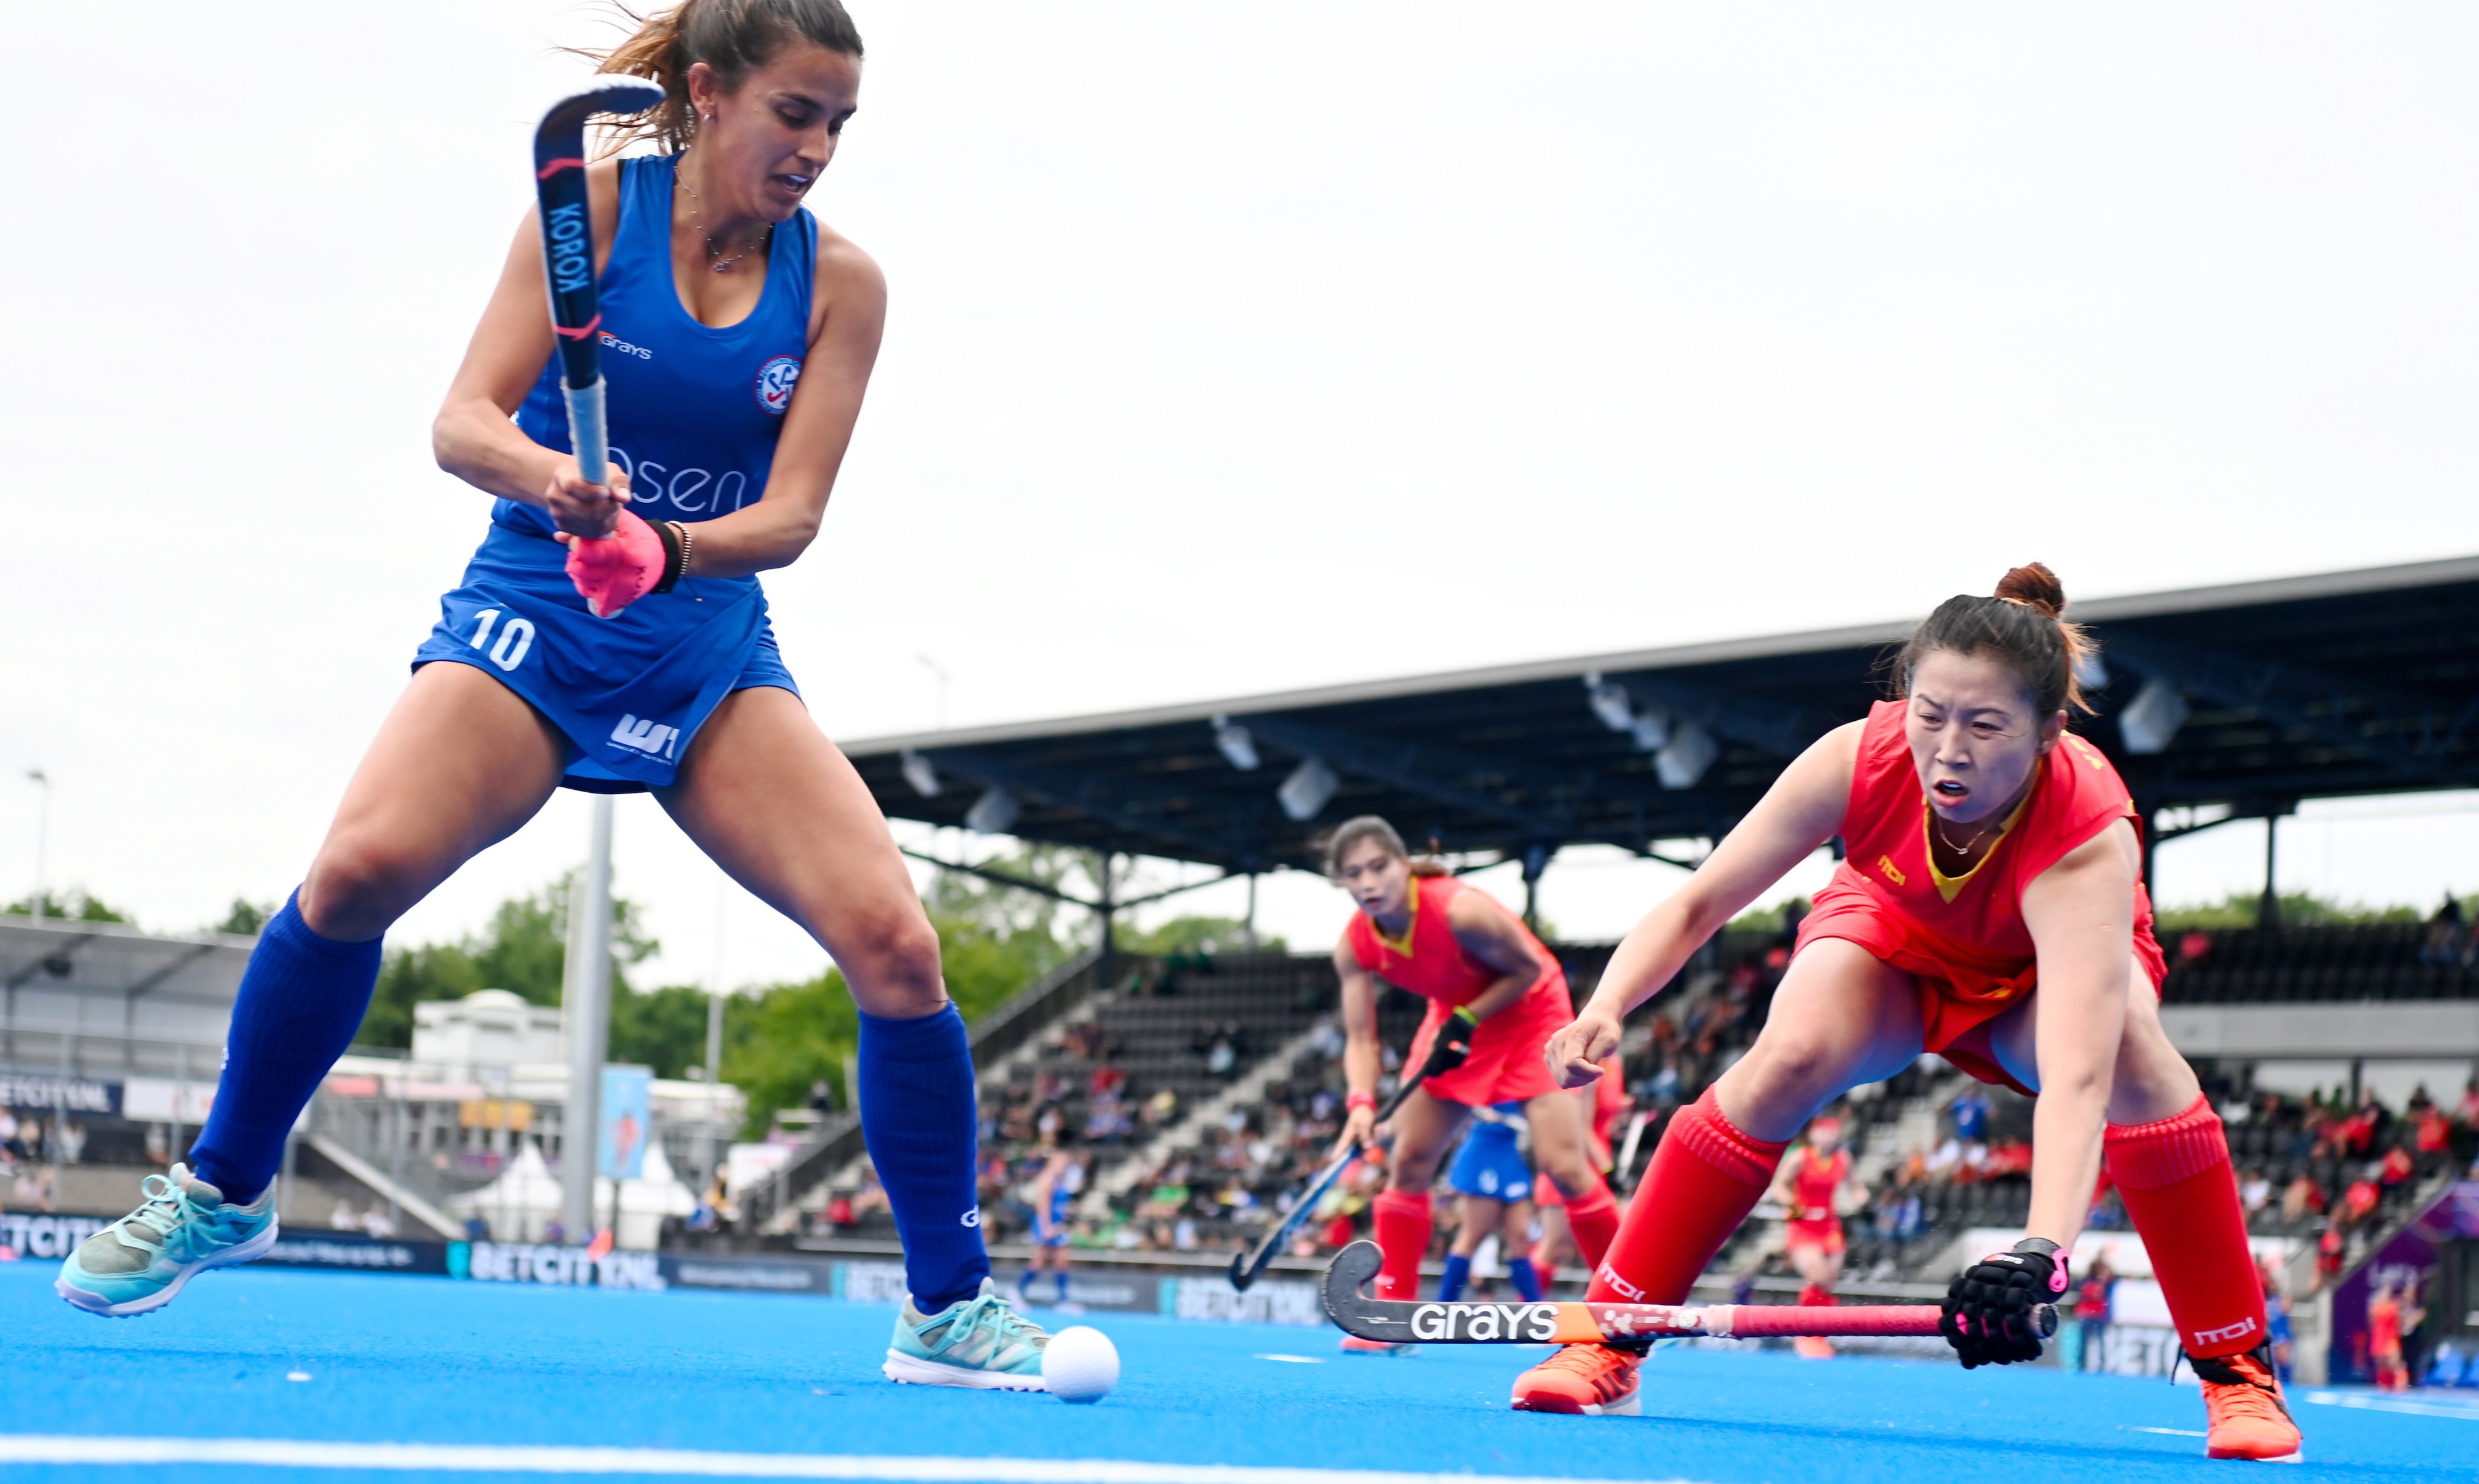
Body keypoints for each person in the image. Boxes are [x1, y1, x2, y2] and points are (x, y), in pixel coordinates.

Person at [54, 0, 1050, 1392]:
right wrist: (553, 483)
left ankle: (948, 1310)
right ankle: (226, 1186)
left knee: (897, 943)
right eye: (796, 114)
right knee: (355, 872)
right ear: (709, 93)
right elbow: (464, 418)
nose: (818, 148)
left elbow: (798, 514)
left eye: (840, 125)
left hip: (704, 646)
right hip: (532, 614)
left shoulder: (843, 286)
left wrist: (669, 545)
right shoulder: (585, 209)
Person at [1522, 565, 2302, 1461]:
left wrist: (2040, 1248)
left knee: (2134, 1053)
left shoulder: (2088, 833)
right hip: (1894, 948)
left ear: (2049, 730)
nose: (1949, 750)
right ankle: (1606, 1337)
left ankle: (2237, 1373)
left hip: (2031, 992)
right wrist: (1608, 1003)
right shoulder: (1856, 755)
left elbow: (2077, 1077)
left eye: (1985, 725)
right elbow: (1702, 903)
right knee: (1791, 1051)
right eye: (1930, 714)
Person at [1327, 818, 1626, 1355]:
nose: (1369, 882)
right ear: (1342, 882)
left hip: (1533, 1014)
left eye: (1379, 867)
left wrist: (1469, 1016)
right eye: (1354, 874)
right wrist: (1361, 1103)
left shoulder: (1460, 909)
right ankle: (1392, 1317)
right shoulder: (1355, 945)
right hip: (1458, 1023)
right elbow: (1360, 1038)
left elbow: (1529, 970)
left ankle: (1640, 1305)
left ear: (1404, 865)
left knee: (1564, 1164)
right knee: (1410, 1162)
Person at [1764, 1113, 1859, 1359]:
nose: (1826, 1137)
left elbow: (1856, 1187)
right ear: (1814, 1134)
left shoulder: (1843, 1159)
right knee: (1818, 1275)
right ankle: (1806, 1333)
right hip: (1804, 1225)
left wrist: (1862, 1200)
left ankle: (1819, 1333)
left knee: (1828, 1283)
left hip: (1830, 1225)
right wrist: (1794, 1205)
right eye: (1822, 1132)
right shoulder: (1801, 1157)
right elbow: (1779, 1186)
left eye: (1831, 1132)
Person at [1438, 1105, 1543, 1302]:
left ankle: (1536, 1308)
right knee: (1473, 1236)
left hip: (1511, 1155)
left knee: (1520, 1239)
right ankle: (1443, 1306)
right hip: (1485, 1152)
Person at [1019, 1143, 1081, 1310]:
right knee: (1039, 1262)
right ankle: (1018, 1293)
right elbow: (1043, 1205)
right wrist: (1046, 1227)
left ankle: (1063, 1300)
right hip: (1047, 1226)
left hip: (1059, 1226)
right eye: (1061, 1161)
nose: (1064, 1165)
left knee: (1062, 1261)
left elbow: (1060, 1204)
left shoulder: (1062, 1180)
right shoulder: (1047, 1179)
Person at [2071, 1255, 2116, 1374]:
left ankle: (2094, 1366)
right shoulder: (2089, 1282)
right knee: (2087, 1343)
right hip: (2090, 1315)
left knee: (2093, 1343)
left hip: (2094, 1315)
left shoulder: (2102, 1283)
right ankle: (2084, 1366)